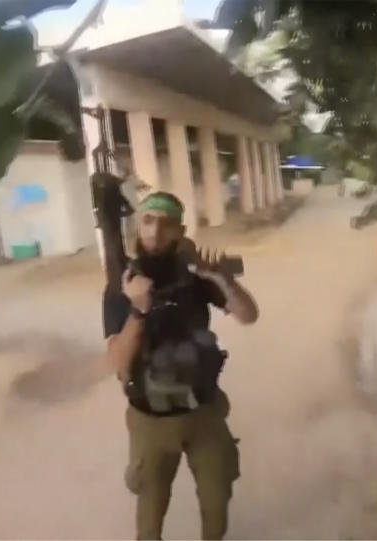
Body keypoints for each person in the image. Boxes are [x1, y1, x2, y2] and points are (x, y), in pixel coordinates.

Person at [103, 191, 259, 540]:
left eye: (166, 223)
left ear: (181, 231)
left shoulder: (194, 277)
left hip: (203, 414)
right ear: (136, 226)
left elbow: (249, 316)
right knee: (150, 517)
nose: (155, 232)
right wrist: (138, 309)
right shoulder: (122, 287)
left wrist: (221, 279)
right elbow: (116, 363)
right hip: (151, 422)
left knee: (216, 504)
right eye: (147, 221)